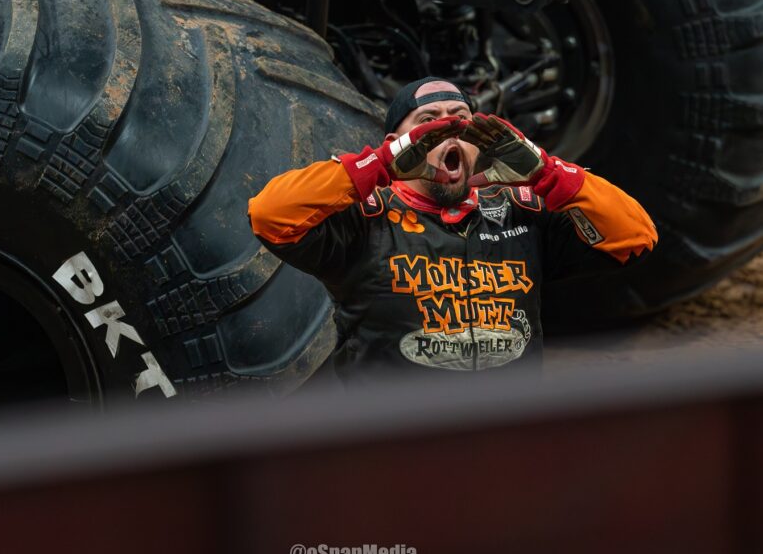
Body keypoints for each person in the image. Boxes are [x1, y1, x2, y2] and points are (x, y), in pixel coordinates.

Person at [248, 77, 657, 378]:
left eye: (460, 120)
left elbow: (635, 237)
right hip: (387, 441)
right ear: (397, 141)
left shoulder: (522, 212)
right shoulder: (363, 218)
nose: (447, 131)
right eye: (428, 121)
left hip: (505, 439)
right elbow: (269, 214)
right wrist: (379, 164)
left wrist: (547, 172)